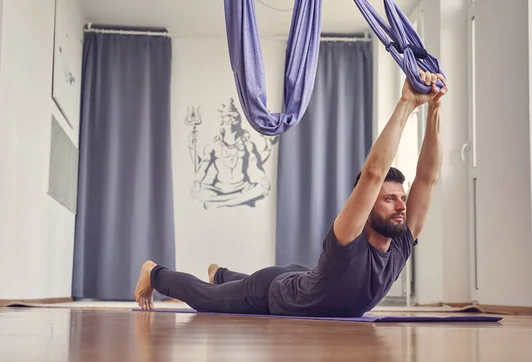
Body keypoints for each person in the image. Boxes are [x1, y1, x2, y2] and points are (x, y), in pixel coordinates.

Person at [135, 70, 448, 317]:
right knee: (207, 300)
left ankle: (221, 273)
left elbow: (428, 178)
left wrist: (435, 108)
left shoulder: (401, 241)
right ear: (366, 209)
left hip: (308, 278)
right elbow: (374, 173)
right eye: (389, 198)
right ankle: (156, 272)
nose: (401, 205)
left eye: (402, 198)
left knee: (265, 279)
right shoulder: (350, 238)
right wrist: (407, 103)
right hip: (273, 293)